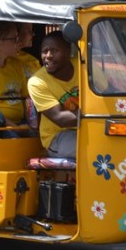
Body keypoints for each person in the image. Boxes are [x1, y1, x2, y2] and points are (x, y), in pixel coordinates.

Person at [27, 31, 78, 159]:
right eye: (45, 51)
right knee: (96, 146)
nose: (48, 56)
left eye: (54, 50)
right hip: (58, 137)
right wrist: (97, 113)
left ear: (68, 51)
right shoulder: (37, 82)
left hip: (87, 129)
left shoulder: (84, 67)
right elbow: (60, 118)